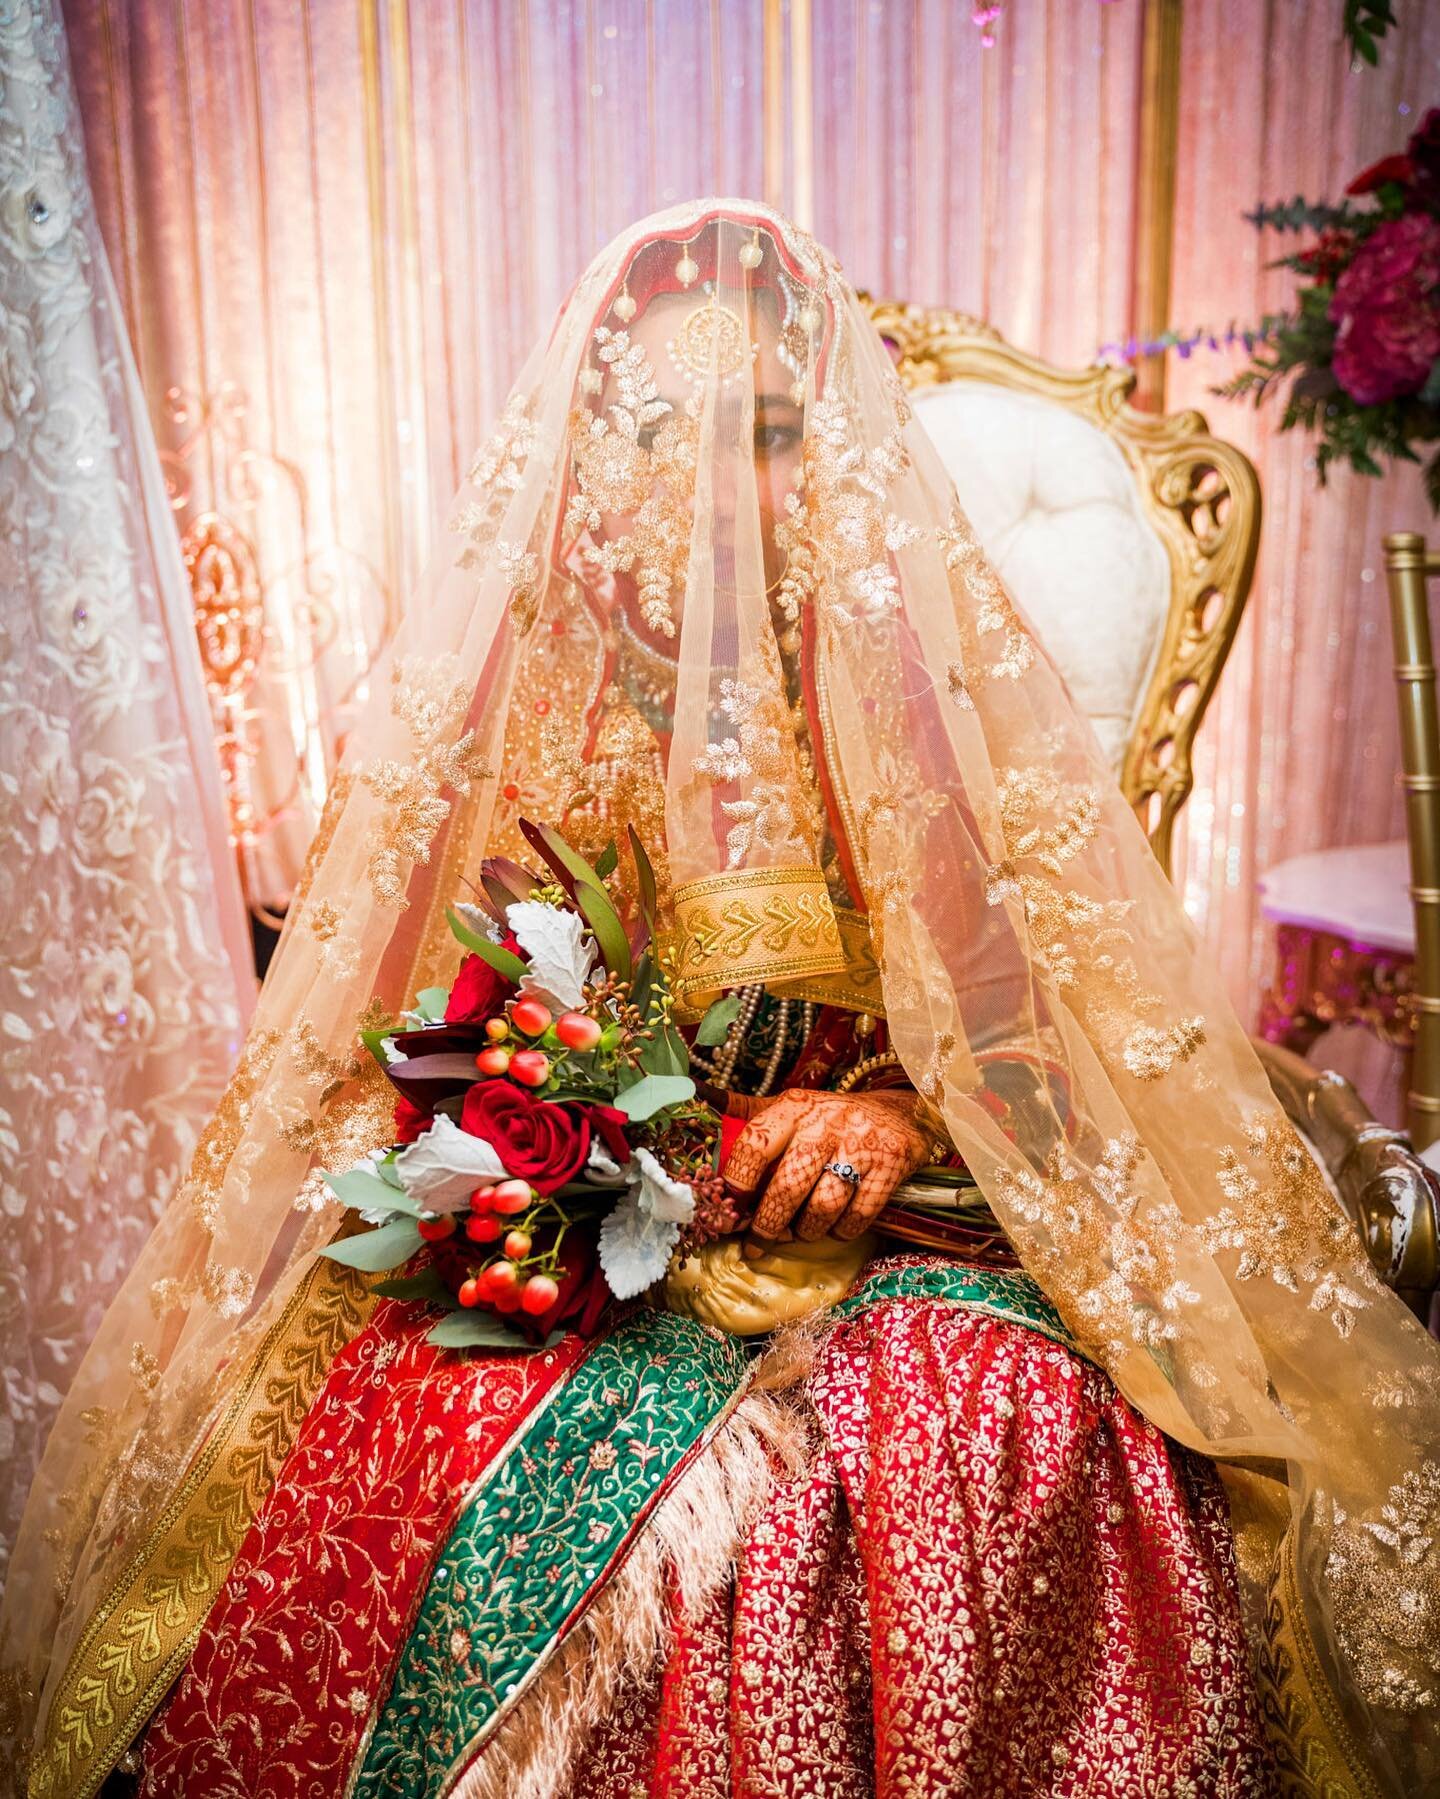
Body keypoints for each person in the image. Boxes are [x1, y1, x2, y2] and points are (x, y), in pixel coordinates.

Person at [6, 201, 1439, 1799]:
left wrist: (895, 1113)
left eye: (763, 435)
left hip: (923, 1240)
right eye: (660, 436)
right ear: (595, 459)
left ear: (826, 456)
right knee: (406, 1440)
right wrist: (566, 1153)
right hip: (600, 1264)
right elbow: (412, 1057)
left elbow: (1067, 1044)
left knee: (950, 1441)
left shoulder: (926, 717)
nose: (712, 496)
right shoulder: (524, 717)